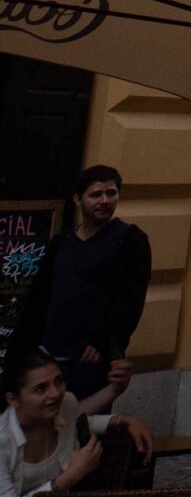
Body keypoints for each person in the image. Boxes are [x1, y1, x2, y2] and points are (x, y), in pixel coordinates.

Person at [8, 166, 149, 402]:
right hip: (48, 355)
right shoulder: (62, 242)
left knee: (82, 420)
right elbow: (40, 298)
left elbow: (130, 301)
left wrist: (103, 342)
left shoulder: (130, 241)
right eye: (96, 194)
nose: (105, 201)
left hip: (90, 360)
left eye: (111, 193)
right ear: (77, 199)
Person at [0, 344, 153, 497]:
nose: (55, 393)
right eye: (41, 389)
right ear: (13, 399)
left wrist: (124, 420)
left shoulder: (66, 403)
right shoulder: (3, 439)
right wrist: (68, 478)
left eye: (58, 381)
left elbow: (79, 421)